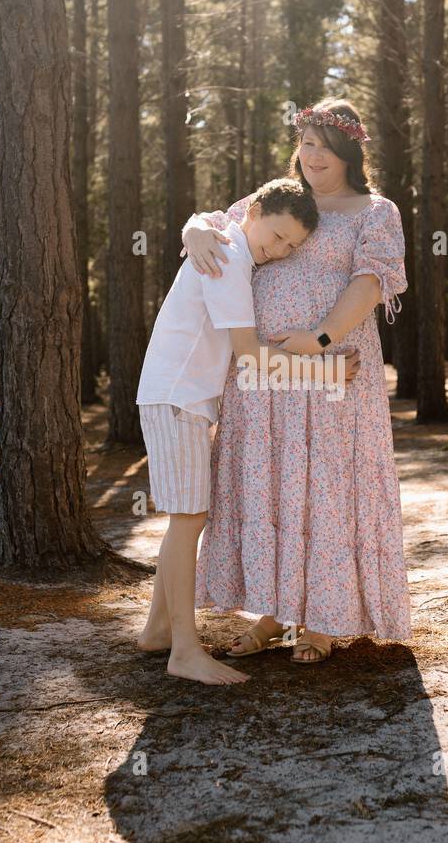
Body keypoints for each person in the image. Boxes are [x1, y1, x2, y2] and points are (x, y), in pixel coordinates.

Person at [182, 98, 412, 666]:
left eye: (325, 149)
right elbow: (219, 226)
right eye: (306, 144)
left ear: (350, 153)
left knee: (325, 489)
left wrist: (322, 337)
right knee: (272, 485)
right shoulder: (283, 199)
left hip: (334, 373)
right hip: (262, 375)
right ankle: (270, 612)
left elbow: (371, 282)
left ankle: (321, 620)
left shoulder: (374, 210)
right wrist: (192, 230)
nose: (312, 158)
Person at [136, 178, 360, 685]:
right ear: (254, 210)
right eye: (277, 235)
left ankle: (158, 631)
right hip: (178, 399)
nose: (279, 251)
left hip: (178, 398)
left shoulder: (228, 245)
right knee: (188, 520)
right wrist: (324, 371)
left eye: (291, 247)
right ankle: (186, 651)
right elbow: (249, 354)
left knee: (185, 518)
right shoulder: (231, 260)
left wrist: (197, 224)